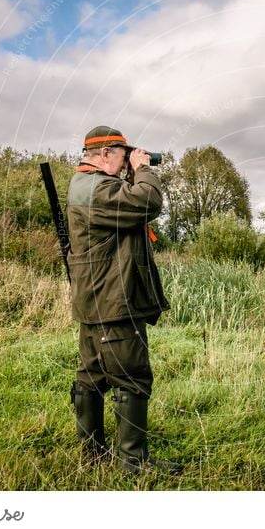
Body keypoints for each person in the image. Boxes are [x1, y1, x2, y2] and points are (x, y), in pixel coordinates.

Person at [66, 125, 181, 475]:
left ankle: (93, 453)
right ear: (104, 155)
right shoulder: (99, 189)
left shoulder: (85, 185)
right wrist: (143, 168)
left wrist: (132, 169)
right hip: (113, 300)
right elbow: (148, 201)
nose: (127, 159)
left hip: (94, 298)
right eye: (122, 154)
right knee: (132, 376)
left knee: (92, 376)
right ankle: (133, 462)